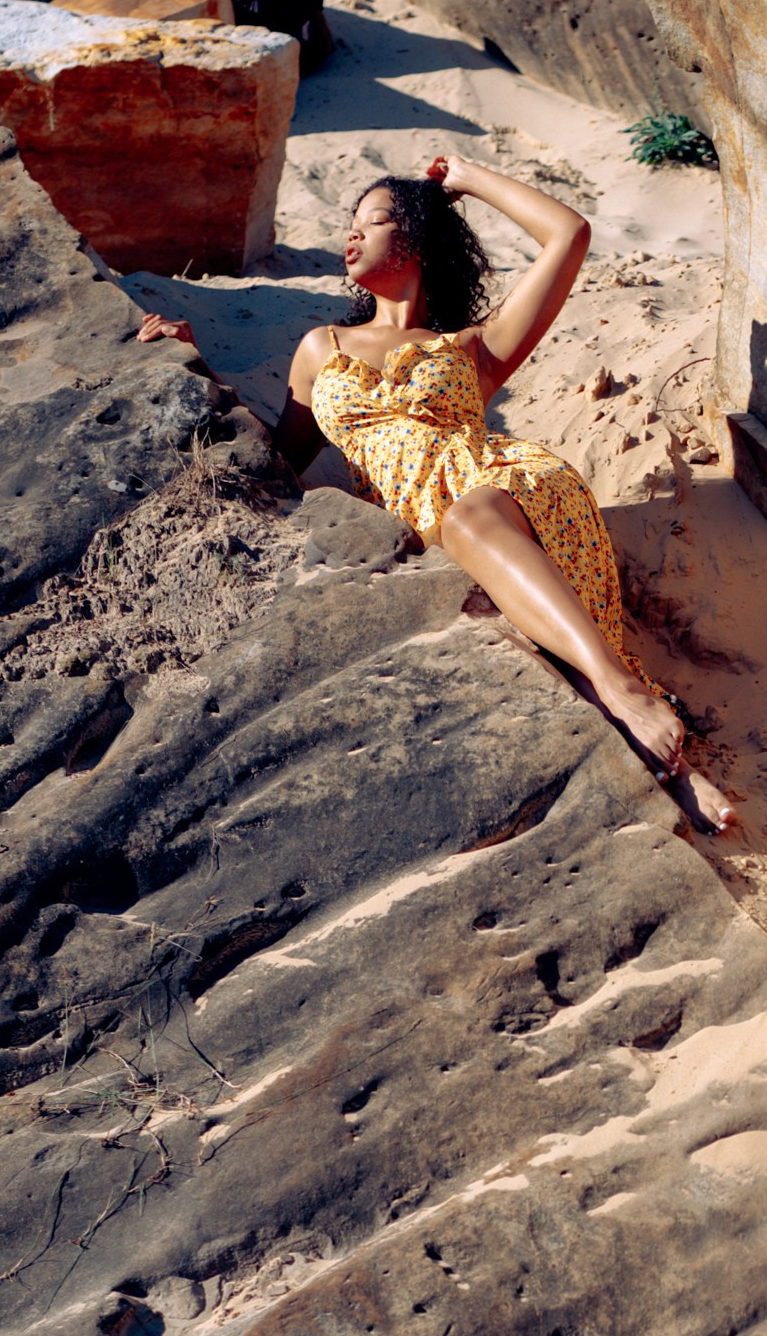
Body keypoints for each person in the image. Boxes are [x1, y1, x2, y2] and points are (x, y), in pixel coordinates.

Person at [138, 154, 733, 834]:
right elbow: (277, 460)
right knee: (511, 618)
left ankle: (624, 690)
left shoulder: (472, 348)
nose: (352, 235)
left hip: (510, 487)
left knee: (469, 517)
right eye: (349, 224)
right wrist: (195, 365)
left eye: (376, 220)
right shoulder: (321, 347)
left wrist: (469, 178)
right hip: (426, 520)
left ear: (417, 240)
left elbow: (569, 233)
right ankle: (674, 767)